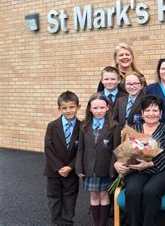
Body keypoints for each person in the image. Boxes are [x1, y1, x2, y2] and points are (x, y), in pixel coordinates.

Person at [114, 95, 165, 226]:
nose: (151, 114)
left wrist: (149, 164)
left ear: (161, 113)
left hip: (163, 170)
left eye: (155, 110)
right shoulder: (134, 129)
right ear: (142, 113)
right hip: (137, 171)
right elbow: (125, 153)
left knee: (150, 191)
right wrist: (119, 163)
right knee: (133, 190)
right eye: (147, 110)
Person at [76, 93, 121, 226]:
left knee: (104, 195)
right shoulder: (84, 125)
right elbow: (80, 149)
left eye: (102, 107)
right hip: (89, 167)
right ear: (90, 108)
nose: (99, 111)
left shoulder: (114, 126)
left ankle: (102, 223)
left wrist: (112, 169)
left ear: (107, 107)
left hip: (105, 167)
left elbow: (116, 150)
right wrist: (79, 166)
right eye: (95, 108)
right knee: (94, 195)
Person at [44, 91, 81, 226]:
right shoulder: (52, 126)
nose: (68, 110)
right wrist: (59, 167)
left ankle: (67, 221)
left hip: (71, 171)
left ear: (78, 107)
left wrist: (70, 166)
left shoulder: (82, 127)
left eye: (71, 107)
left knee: (70, 197)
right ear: (59, 108)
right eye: (64, 108)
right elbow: (48, 147)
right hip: (54, 170)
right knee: (54, 197)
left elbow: (81, 150)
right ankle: (57, 222)